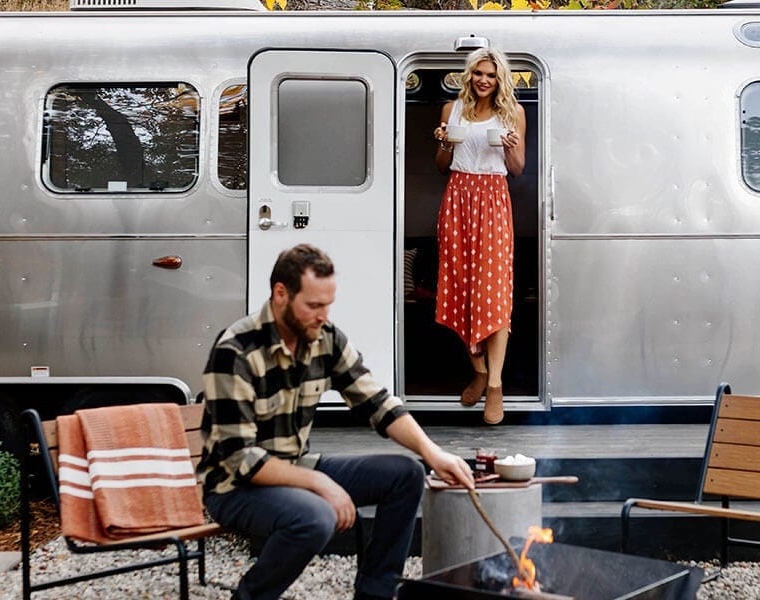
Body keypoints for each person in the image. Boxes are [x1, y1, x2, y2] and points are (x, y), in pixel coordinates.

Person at [197, 243, 475, 600]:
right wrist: (320, 484)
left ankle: (375, 593)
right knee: (315, 518)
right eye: (313, 305)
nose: (323, 315)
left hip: (295, 466)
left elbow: (379, 404)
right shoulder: (236, 350)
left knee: (406, 474)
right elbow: (242, 460)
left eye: (328, 304)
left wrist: (434, 454)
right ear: (280, 294)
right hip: (234, 488)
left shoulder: (324, 338)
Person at [433, 47, 527, 425]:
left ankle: (495, 386)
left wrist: (510, 147)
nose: (483, 80)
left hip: (493, 200)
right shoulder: (451, 110)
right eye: (478, 74)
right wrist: (443, 142)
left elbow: (518, 169)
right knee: (458, 287)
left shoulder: (512, 113)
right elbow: (441, 166)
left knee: (494, 293)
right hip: (457, 196)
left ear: (499, 78)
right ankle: (479, 369)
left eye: (490, 75)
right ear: (470, 75)